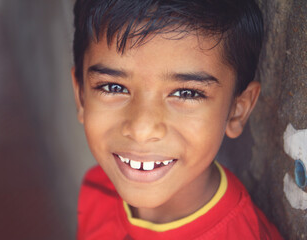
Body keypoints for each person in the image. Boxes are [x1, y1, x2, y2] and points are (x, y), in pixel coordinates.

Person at [71, 0, 283, 239]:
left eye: (186, 93)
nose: (142, 129)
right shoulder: (98, 188)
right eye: (113, 87)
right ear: (81, 96)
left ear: (237, 111)